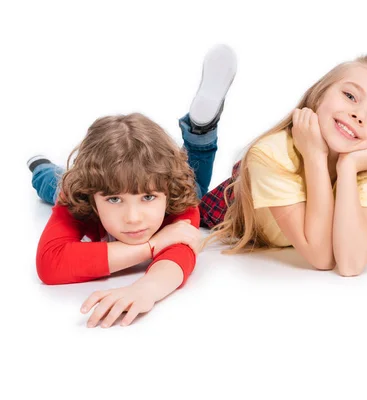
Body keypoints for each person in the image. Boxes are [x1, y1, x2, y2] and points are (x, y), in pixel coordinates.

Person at [28, 44, 237, 327]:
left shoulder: (179, 197)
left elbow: (180, 253)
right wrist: (152, 245)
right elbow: (50, 265)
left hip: (177, 181)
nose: (133, 217)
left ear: (167, 190)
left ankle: (201, 131)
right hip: (74, 185)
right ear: (91, 196)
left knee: (194, 183)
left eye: (148, 197)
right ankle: (40, 165)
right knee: (52, 182)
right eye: (114, 199)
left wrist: (147, 289)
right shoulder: (76, 194)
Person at [202, 54, 367, 276]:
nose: (359, 115)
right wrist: (314, 154)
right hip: (229, 202)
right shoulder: (270, 153)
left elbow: (351, 264)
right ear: (319, 96)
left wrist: (347, 168)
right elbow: (323, 257)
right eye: (350, 96)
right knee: (184, 198)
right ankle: (200, 136)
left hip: (281, 180)